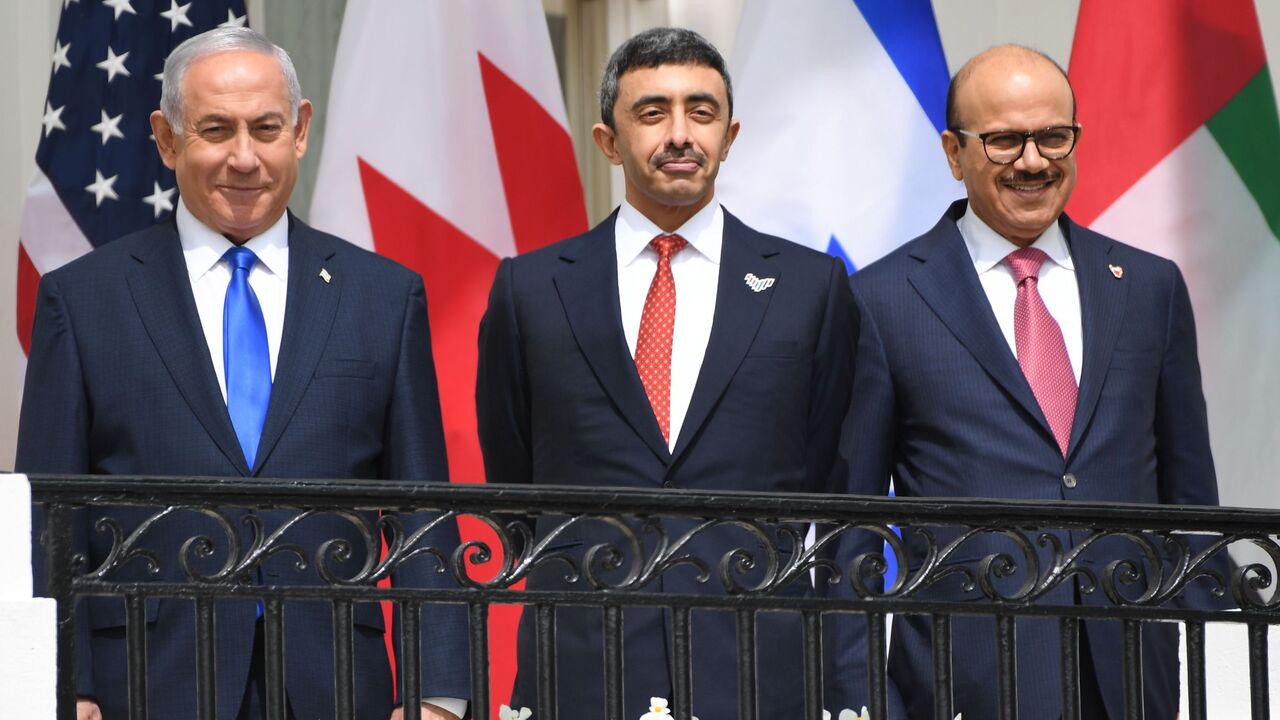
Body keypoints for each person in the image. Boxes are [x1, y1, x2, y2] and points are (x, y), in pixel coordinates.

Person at [17, 28, 467, 720]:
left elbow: (422, 514)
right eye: (216, 130)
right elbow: (50, 518)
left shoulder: (382, 297)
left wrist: (438, 696)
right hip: (142, 684)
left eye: (265, 128)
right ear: (167, 140)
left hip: (336, 684)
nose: (244, 157)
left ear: (301, 131)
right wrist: (62, 684)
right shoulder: (83, 301)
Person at [476, 27, 857, 720]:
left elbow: (831, 479)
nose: (680, 134)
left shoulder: (812, 287)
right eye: (652, 113)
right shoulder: (530, 290)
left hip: (758, 661)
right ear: (608, 141)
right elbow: (512, 482)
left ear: (730, 133)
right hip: (585, 659)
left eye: (701, 112)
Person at [834, 45, 1222, 719]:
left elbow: (1191, 502)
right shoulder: (881, 300)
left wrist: (1191, 645)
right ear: (954, 153)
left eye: (1053, 136)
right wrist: (867, 699)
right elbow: (849, 530)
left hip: (1131, 679)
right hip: (964, 684)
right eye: (1005, 140)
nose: (1034, 161)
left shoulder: (1150, 288)